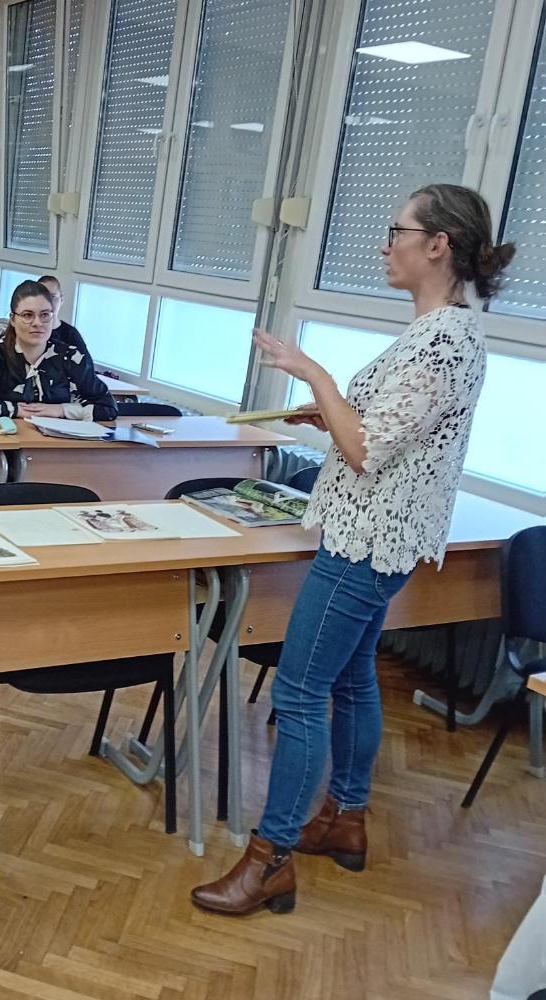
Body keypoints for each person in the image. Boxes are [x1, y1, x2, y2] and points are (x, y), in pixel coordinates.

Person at [190, 183, 514, 917]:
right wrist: (331, 410)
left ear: (438, 245)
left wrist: (318, 377)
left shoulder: (444, 341)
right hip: (377, 537)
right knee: (352, 678)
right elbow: (385, 430)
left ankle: (269, 859)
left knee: (300, 691)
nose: (384, 244)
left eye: (398, 231)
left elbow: (367, 451)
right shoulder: (442, 333)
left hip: (366, 543)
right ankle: (345, 817)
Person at [0, 280, 117, 420]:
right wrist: (15, 410)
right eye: (27, 315)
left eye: (45, 315)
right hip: (7, 442)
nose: (37, 323)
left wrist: (61, 410)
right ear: (13, 319)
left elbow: (108, 407)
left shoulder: (71, 356)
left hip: (57, 444)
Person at [37, 274, 88, 354]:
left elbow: (85, 361)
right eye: (43, 297)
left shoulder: (71, 335)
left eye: (53, 297)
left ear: (61, 300)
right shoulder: (27, 330)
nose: (48, 302)